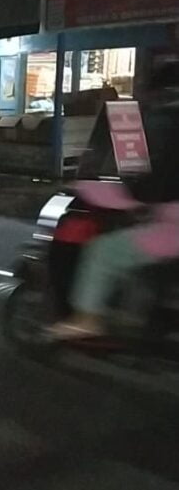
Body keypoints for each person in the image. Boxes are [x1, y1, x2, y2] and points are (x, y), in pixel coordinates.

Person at [48, 76, 179, 339]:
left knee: (102, 252)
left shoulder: (164, 126)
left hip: (171, 226)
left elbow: (145, 188)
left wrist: (89, 188)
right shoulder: (159, 123)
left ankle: (87, 319)